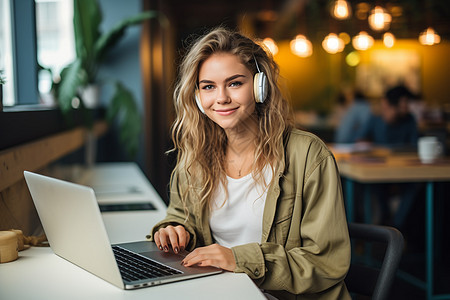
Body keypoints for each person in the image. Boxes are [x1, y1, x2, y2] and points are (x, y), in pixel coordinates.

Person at [149, 27, 350, 300]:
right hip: (220, 292)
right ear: (197, 96)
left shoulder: (307, 154)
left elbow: (326, 263)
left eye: (234, 83)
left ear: (259, 86)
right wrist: (173, 229)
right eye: (208, 86)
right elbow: (179, 215)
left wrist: (237, 259)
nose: (221, 98)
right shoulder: (195, 157)